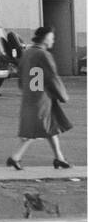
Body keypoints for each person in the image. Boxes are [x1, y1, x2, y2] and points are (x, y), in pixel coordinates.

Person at [7, 27, 73, 170]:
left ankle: (59, 157)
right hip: (42, 98)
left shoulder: (27, 53)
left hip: (30, 95)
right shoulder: (44, 55)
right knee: (35, 129)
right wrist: (63, 95)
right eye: (52, 38)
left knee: (51, 127)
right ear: (46, 38)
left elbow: (21, 75)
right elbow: (52, 77)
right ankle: (15, 157)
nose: (53, 41)